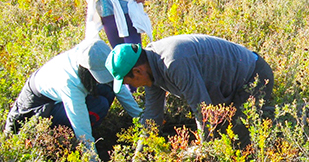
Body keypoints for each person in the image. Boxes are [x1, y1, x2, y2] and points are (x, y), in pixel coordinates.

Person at [104, 34, 274, 146]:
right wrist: (138, 159)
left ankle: (280, 120)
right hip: (228, 88)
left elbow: (204, 109)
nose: (134, 87)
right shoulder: (150, 69)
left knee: (237, 139)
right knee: (222, 133)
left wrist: (203, 150)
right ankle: (264, 114)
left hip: (254, 77)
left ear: (137, 71)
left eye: (129, 82)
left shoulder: (173, 63)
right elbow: (152, 116)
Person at [4, 38, 143, 162]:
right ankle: (67, 143)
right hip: (37, 110)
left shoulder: (94, 56)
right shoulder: (69, 83)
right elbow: (82, 129)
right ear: (87, 71)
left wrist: (143, 120)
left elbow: (118, 87)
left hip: (56, 100)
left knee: (107, 92)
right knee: (99, 105)